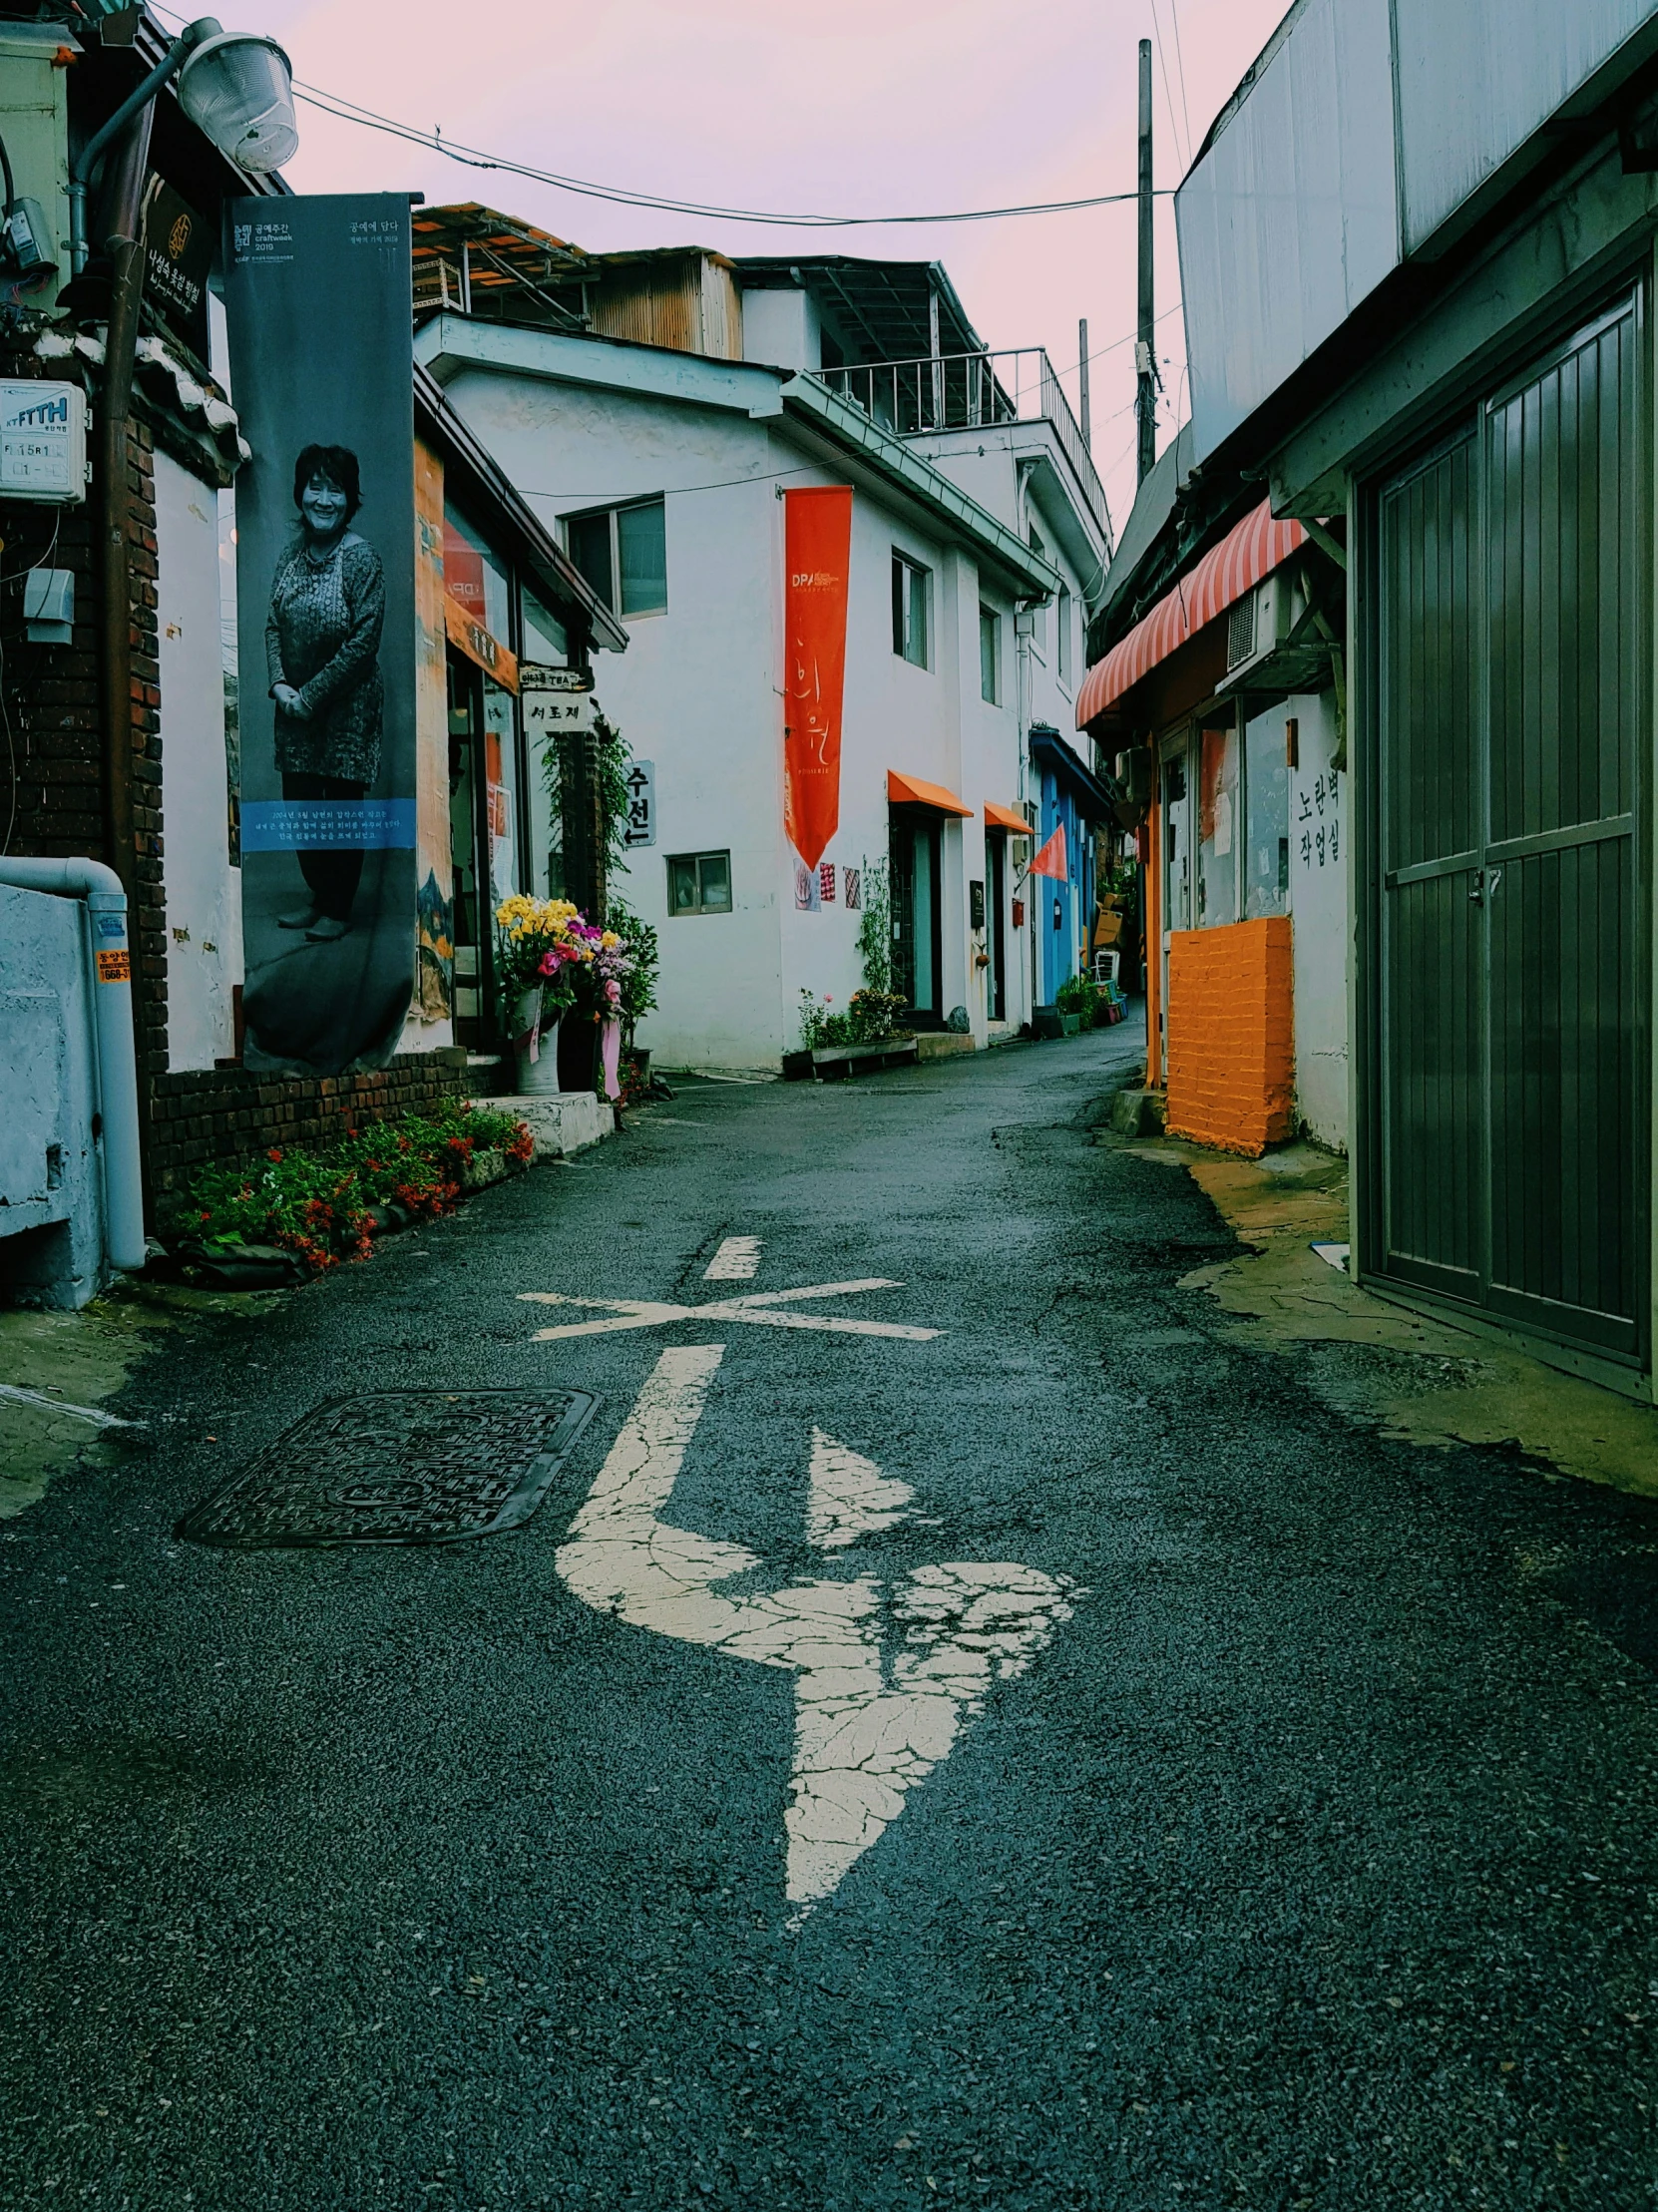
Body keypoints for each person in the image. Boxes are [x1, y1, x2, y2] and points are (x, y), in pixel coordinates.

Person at [264, 444, 385, 942]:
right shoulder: (290, 556)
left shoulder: (362, 559)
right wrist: (279, 683)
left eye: (335, 489)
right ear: (300, 494)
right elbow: (273, 623)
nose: (324, 499)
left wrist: (310, 696)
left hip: (345, 711)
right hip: (292, 707)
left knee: (338, 810)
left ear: (349, 500)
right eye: (315, 487)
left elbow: (364, 643)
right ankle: (318, 896)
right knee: (300, 808)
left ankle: (339, 905)